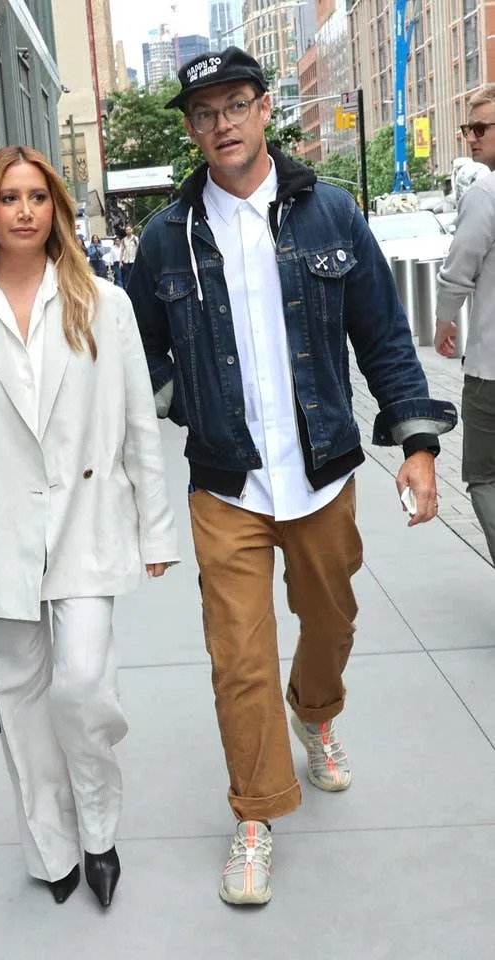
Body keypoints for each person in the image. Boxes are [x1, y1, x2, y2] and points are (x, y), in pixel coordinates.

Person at [127, 47, 457, 906]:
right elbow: (139, 349)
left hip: (319, 473)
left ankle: (316, 710)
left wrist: (417, 444)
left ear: (265, 108)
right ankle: (254, 814)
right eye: (204, 114)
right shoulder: (170, 235)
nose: (221, 124)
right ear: (193, 129)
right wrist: (185, 404)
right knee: (237, 657)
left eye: (235, 104)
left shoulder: (330, 215)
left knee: (330, 616)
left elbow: (384, 335)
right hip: (225, 482)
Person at [0, 145, 178, 908]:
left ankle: (99, 827)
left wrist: (156, 531)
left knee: (84, 684)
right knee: (23, 702)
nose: (25, 210)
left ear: (57, 209)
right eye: (9, 198)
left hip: (88, 522)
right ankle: (54, 848)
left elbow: (140, 424)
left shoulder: (106, 303)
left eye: (38, 196)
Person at [435, 84, 495, 564]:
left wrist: (443, 321)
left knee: (482, 475)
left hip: (491, 372)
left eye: (481, 128)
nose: (471, 139)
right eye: (466, 129)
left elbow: (458, 270)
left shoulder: (485, 192)